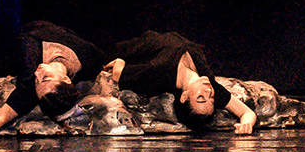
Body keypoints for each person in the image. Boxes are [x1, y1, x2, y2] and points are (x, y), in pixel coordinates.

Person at [0, 20, 104, 141]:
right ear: (66, 79)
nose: (37, 73)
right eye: (46, 78)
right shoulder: (91, 62)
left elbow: (9, 110)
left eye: (37, 81)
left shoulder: (30, 69)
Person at [104, 30, 257, 134]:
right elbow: (247, 112)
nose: (209, 92)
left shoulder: (158, 76)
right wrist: (247, 123)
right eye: (211, 97)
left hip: (125, 47)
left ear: (184, 97)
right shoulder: (208, 82)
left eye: (201, 97)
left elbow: (118, 72)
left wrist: (119, 63)